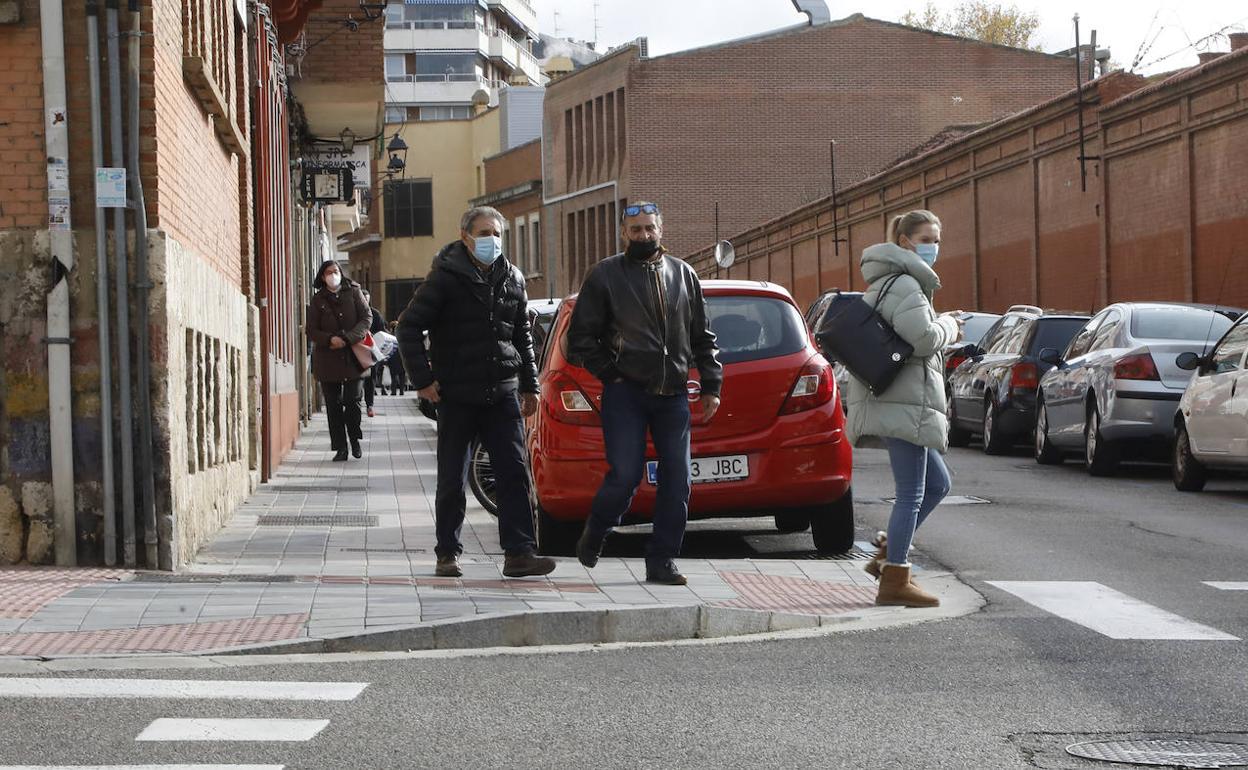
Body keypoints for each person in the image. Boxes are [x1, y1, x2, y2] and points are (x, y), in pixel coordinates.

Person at [566, 202, 723, 586]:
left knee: (679, 478)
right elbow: (579, 340)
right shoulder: (604, 275)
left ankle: (663, 559)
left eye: (649, 228)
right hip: (626, 394)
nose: (643, 235)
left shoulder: (684, 274)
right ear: (624, 233)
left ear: (661, 229)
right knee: (625, 476)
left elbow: (703, 335)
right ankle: (597, 529)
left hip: (672, 395)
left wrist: (711, 384)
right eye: (635, 229)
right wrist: (611, 375)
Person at [397, 206, 555, 579]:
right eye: (485, 233)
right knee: (452, 477)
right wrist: (424, 381)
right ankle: (447, 553)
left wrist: (531, 385)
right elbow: (408, 328)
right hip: (457, 394)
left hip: (502, 394)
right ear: (466, 236)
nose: (492, 240)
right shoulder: (444, 278)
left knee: (514, 473)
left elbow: (522, 338)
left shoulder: (513, 278)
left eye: (497, 233)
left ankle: (519, 553)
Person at [845, 210, 965, 608]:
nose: (933, 247)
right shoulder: (907, 287)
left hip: (899, 399)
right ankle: (895, 576)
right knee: (912, 492)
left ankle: (887, 553)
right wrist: (950, 325)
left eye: (937, 238)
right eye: (927, 238)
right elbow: (925, 339)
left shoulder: (886, 283)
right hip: (904, 403)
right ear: (904, 243)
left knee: (938, 485)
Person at [306, 260, 370, 462]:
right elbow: (311, 329)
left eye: (336, 271)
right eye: (328, 272)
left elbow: (366, 318)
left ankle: (355, 439)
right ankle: (340, 447)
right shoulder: (318, 300)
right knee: (333, 405)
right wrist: (328, 339)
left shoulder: (354, 292)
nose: (333, 275)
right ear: (322, 277)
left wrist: (348, 338)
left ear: (341, 273)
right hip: (328, 359)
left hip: (354, 357)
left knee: (352, 401)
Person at [361, 290, 385, 416]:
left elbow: (382, 332)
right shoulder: (353, 312)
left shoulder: (375, 314)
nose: (365, 301)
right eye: (363, 298)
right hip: (356, 352)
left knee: (370, 379)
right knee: (356, 379)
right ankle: (356, 403)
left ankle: (369, 405)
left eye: (367, 299)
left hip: (371, 352)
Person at [385, 321, 407, 395]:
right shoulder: (403, 335)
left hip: (393, 357)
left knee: (393, 376)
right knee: (402, 375)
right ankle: (401, 391)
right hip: (402, 357)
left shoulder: (389, 336)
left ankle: (393, 391)